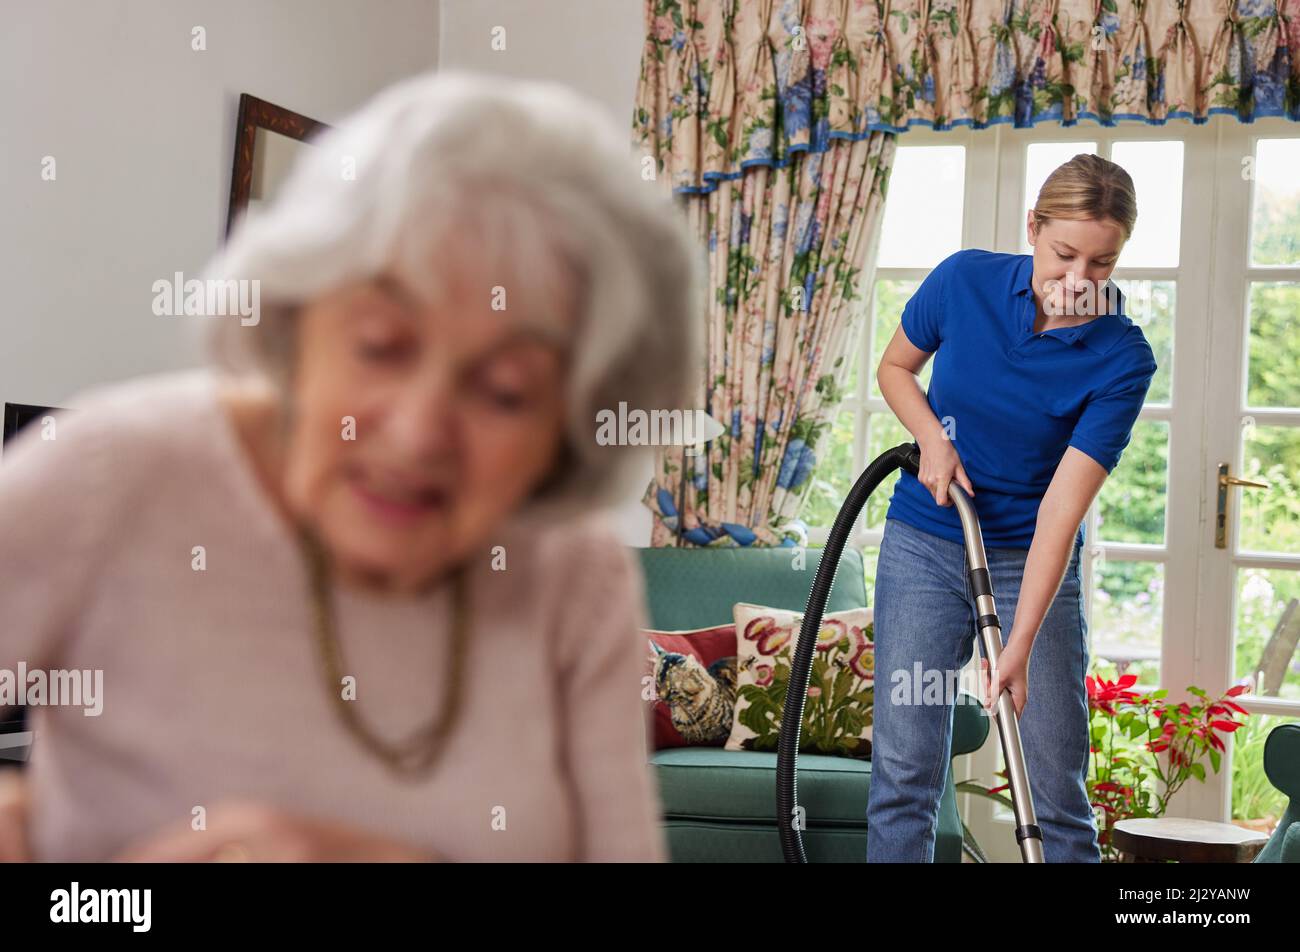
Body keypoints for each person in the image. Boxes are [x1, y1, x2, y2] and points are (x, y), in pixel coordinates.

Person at [0, 70, 700, 862]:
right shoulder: (110, 473)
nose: (416, 434)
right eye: (379, 345)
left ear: (571, 429)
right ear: (294, 325)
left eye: (506, 392)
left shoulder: (574, 575)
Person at [868, 154, 1158, 863]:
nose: (1079, 281)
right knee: (905, 769)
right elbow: (895, 367)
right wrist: (932, 438)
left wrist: (1020, 644)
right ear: (1033, 227)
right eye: (1063, 253)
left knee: (1054, 779)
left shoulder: (1123, 359)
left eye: (1102, 262)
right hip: (926, 544)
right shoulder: (964, 279)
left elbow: (1062, 509)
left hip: (1034, 559)